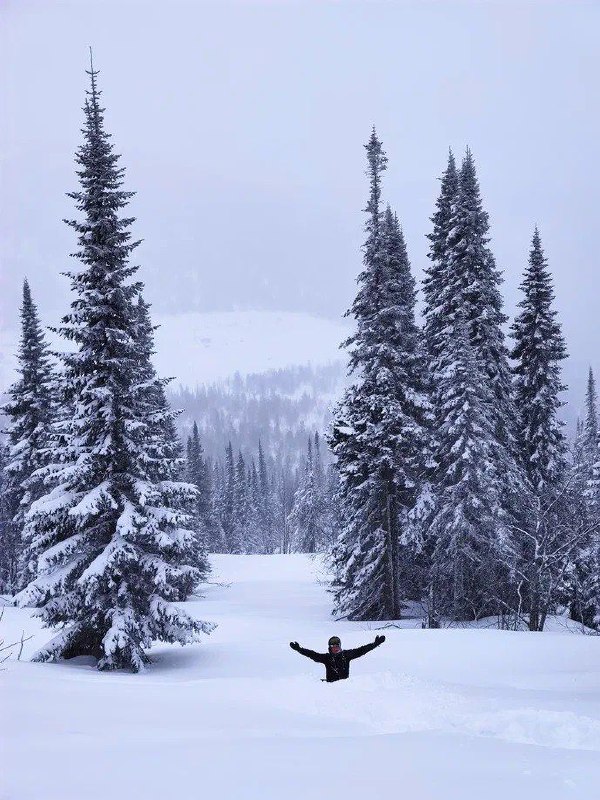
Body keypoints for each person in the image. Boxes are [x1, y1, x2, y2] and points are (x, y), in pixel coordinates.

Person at [289, 634, 386, 682]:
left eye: (337, 646)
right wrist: (299, 649)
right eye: (333, 646)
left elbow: (361, 650)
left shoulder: (346, 655)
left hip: (344, 689)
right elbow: (312, 654)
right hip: (330, 690)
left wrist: (375, 644)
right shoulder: (326, 658)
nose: (335, 648)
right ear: (330, 648)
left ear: (340, 646)